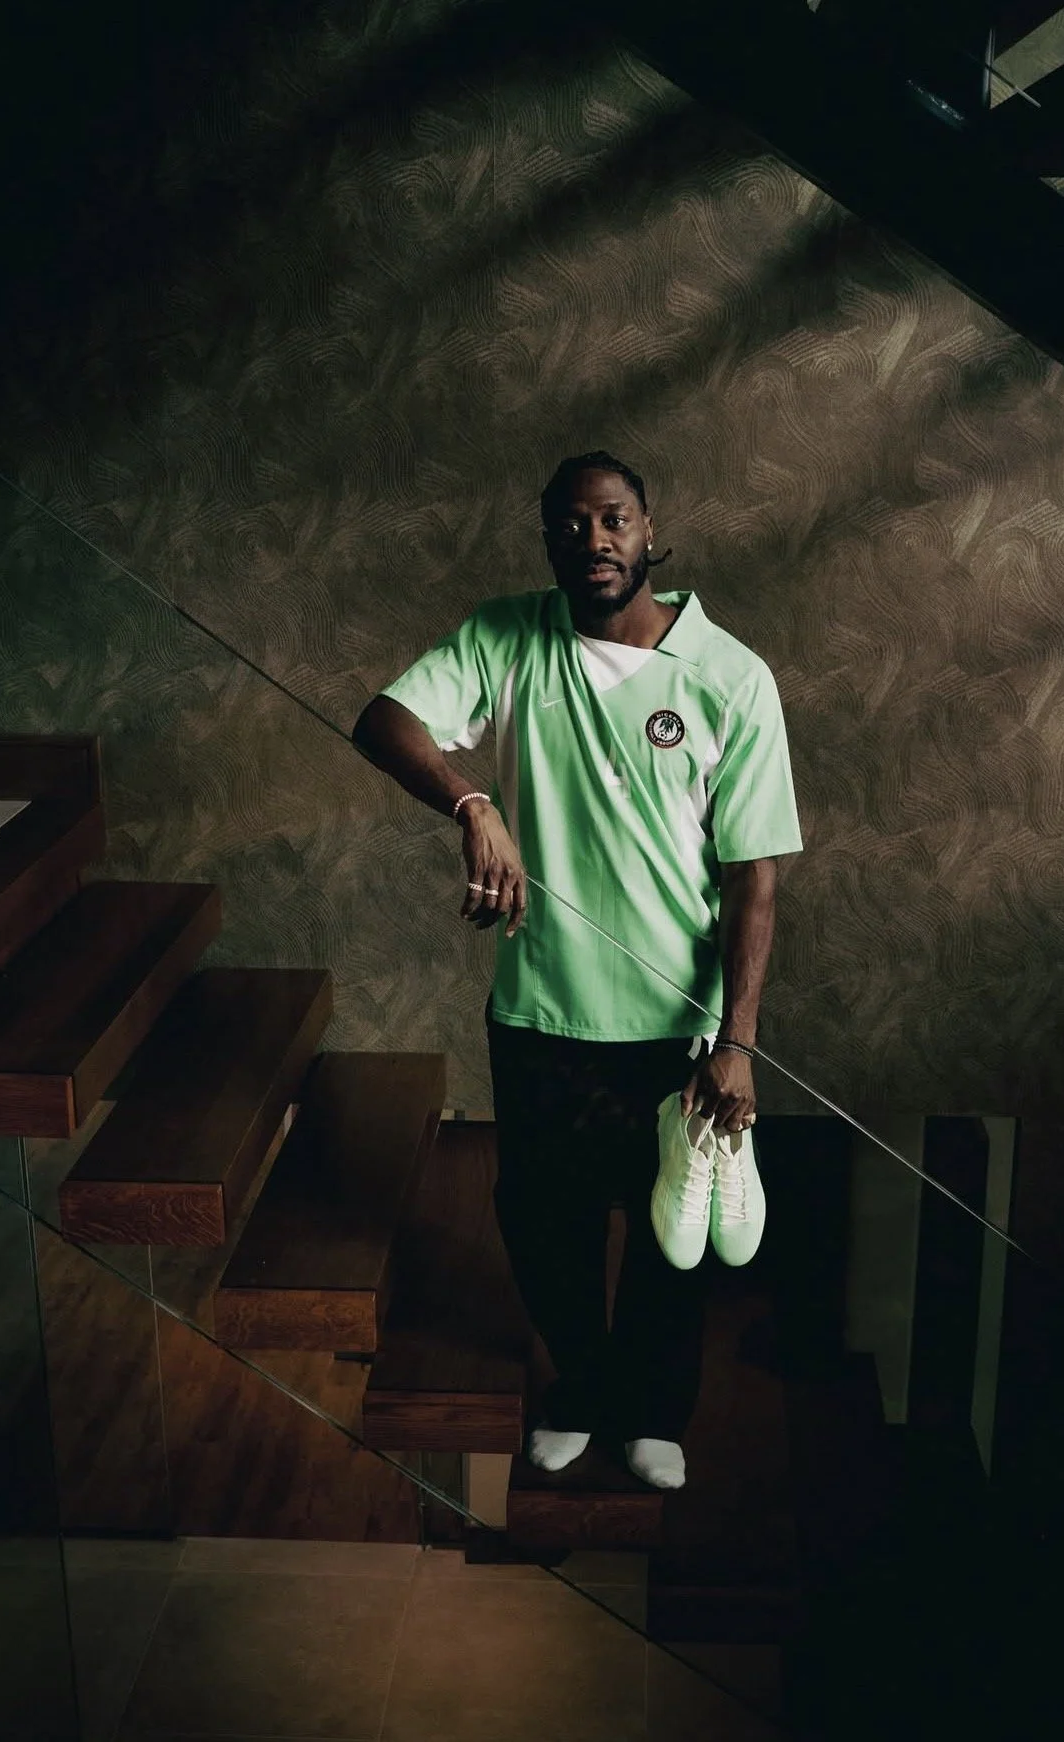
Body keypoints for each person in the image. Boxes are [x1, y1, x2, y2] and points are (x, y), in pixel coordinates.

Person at [352, 451, 802, 1490]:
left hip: (674, 1024)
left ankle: (655, 1411)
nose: (592, 541)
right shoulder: (506, 637)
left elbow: (754, 881)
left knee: (666, 1231)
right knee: (542, 1222)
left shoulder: (730, 676)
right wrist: (474, 804)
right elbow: (384, 720)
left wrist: (737, 1042)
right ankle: (584, 1388)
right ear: (547, 537)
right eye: (569, 524)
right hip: (542, 1011)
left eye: (612, 521)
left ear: (651, 533)